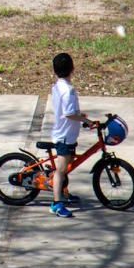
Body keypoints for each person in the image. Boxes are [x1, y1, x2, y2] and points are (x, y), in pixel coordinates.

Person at [50, 52, 93, 218]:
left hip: (66, 133)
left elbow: (66, 110)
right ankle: (56, 204)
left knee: (68, 165)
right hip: (64, 136)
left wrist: (80, 115)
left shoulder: (57, 86)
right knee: (60, 171)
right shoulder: (68, 90)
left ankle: (64, 192)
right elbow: (68, 114)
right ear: (72, 68)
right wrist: (85, 120)